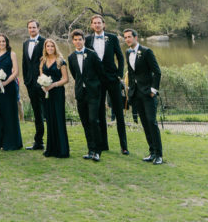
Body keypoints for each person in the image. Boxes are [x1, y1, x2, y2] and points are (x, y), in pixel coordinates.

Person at [85, 13, 128, 154]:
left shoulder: (113, 38)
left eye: (99, 22)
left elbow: (120, 58)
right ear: (91, 25)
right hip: (97, 81)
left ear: (104, 24)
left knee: (118, 112)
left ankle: (124, 146)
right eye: (94, 23)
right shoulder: (87, 40)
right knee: (100, 113)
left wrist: (119, 75)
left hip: (112, 79)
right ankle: (103, 144)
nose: (97, 25)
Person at [123, 28, 163, 164]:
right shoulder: (128, 52)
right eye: (125, 37)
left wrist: (153, 90)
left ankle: (159, 155)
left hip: (148, 93)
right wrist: (130, 90)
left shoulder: (147, 52)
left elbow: (157, 72)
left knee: (152, 122)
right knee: (145, 124)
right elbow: (131, 72)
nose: (127, 39)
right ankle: (152, 152)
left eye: (129, 37)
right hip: (136, 94)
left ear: (136, 37)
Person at [68, 28, 104, 161]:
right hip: (80, 94)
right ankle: (90, 150)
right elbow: (75, 74)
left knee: (93, 120)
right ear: (73, 41)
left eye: (80, 39)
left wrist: (95, 86)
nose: (78, 42)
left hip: (93, 93)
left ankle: (98, 151)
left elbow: (100, 73)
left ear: (84, 40)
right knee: (85, 122)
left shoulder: (92, 54)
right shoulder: (71, 57)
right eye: (75, 40)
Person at [0, 34, 23, 151]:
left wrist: (6, 82)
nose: (1, 43)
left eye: (3, 41)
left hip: (10, 87)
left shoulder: (12, 54)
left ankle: (11, 142)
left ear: (6, 42)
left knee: (10, 114)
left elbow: (16, 71)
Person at [39, 38, 69, 158]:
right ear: (45, 48)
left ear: (55, 47)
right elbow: (41, 76)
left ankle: (62, 150)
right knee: (50, 119)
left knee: (58, 119)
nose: (50, 48)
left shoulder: (61, 61)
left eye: (52, 46)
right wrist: (43, 85)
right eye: (48, 46)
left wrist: (53, 85)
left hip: (57, 93)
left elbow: (66, 79)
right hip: (47, 93)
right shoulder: (43, 60)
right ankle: (51, 149)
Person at [22, 19, 45, 150]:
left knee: (46, 112)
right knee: (37, 113)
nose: (32, 30)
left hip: (43, 83)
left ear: (38, 28)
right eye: (29, 28)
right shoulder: (25, 43)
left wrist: (44, 80)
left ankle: (52, 142)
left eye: (34, 27)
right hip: (30, 83)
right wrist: (26, 81)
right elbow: (25, 64)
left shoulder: (44, 42)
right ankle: (39, 142)